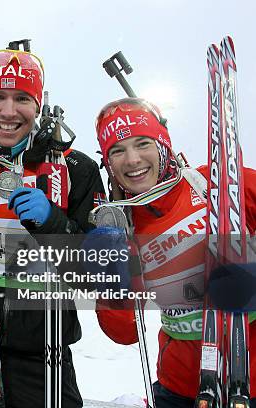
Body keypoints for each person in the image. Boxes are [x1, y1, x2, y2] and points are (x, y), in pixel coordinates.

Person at [0, 43, 106, 408]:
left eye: (22, 99)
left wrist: (53, 223)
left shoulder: (75, 169)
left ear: (38, 106)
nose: (9, 111)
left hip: (44, 353)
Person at [92, 97, 256, 407]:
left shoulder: (215, 184)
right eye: (117, 151)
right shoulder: (123, 227)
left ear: (162, 145)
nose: (132, 160)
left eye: (142, 144)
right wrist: (108, 280)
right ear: (108, 163)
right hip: (179, 387)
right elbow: (126, 333)